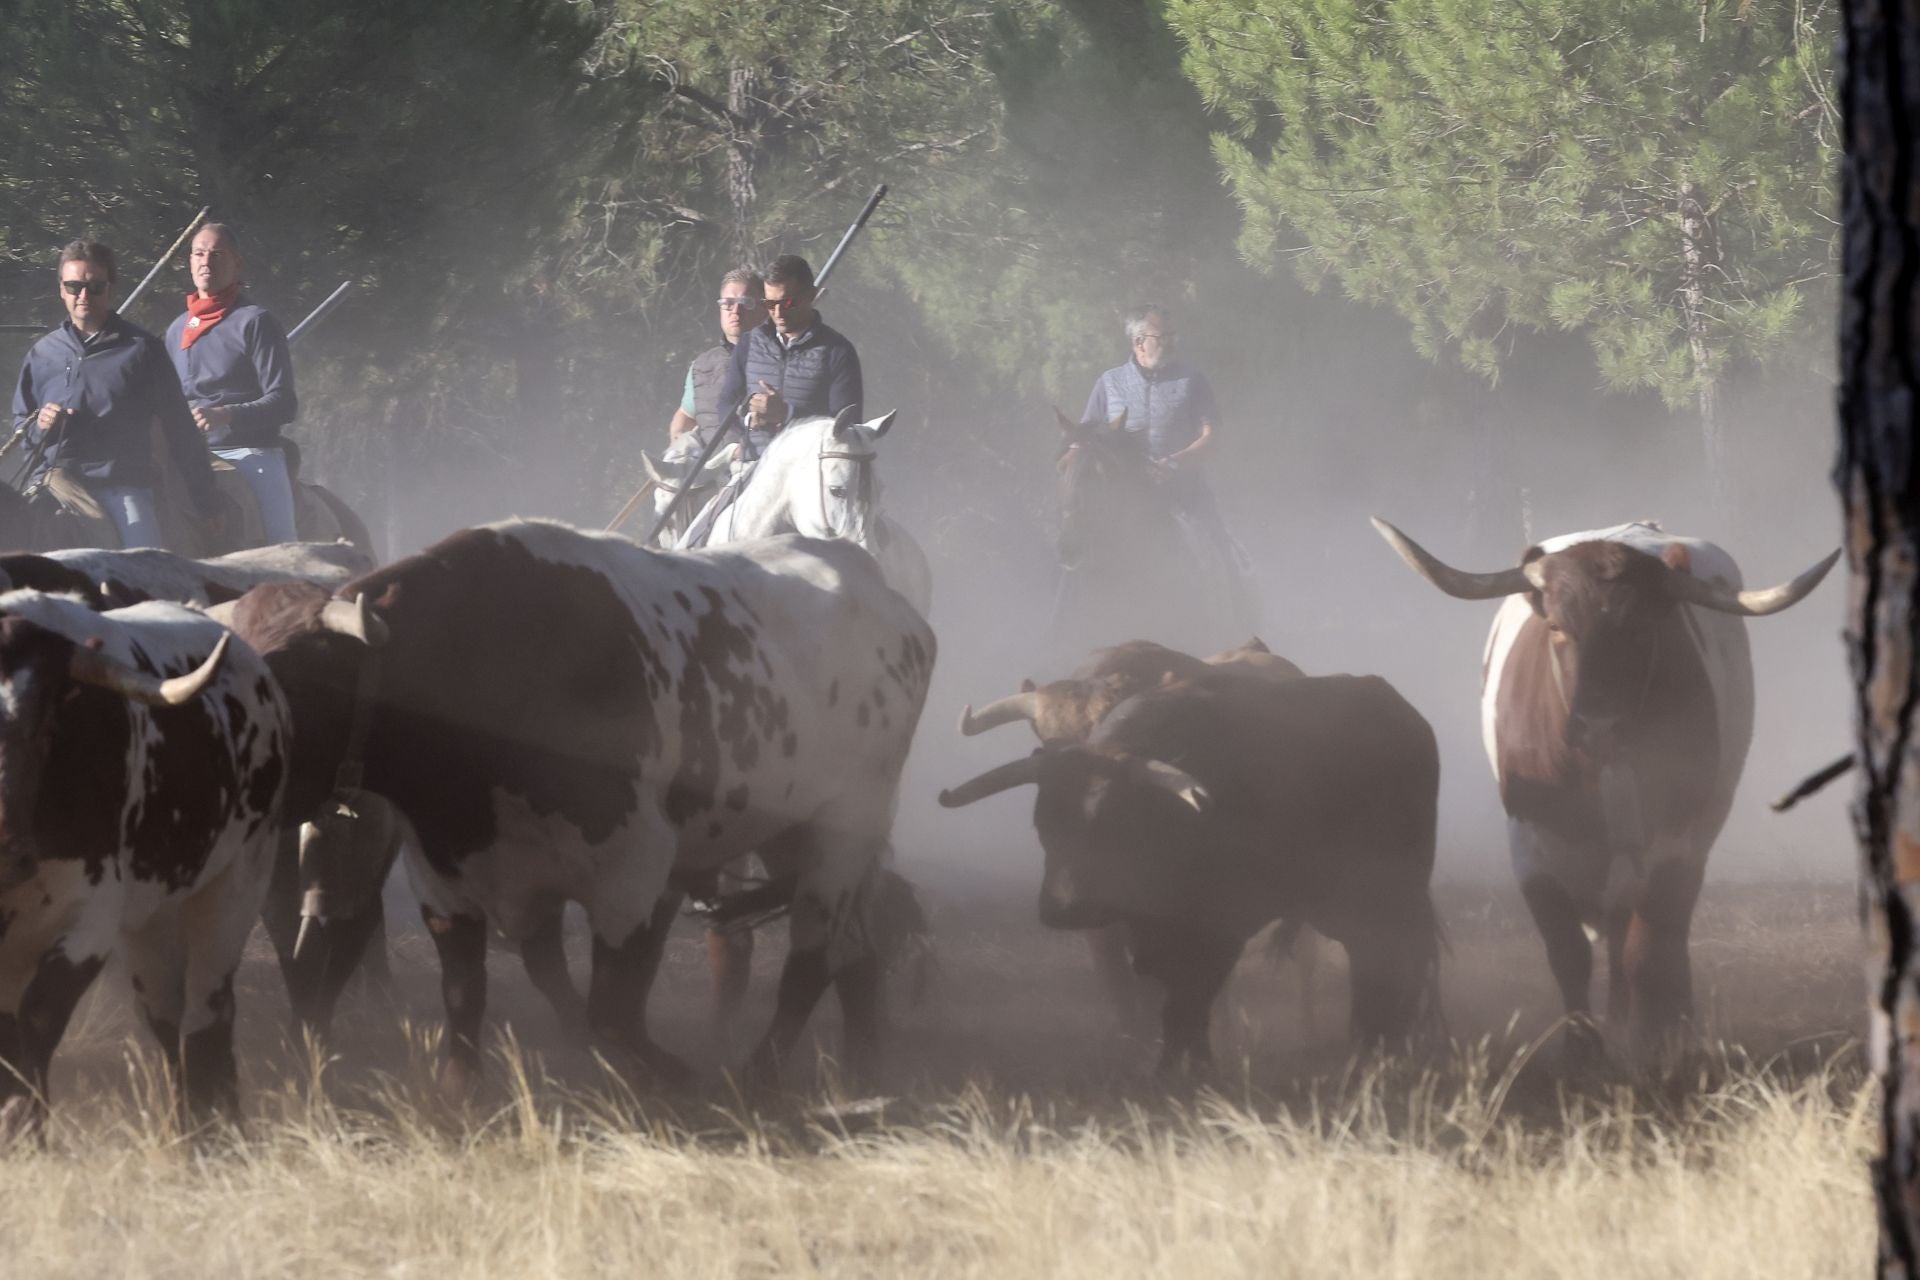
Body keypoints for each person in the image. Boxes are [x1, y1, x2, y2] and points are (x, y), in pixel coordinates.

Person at [11, 240, 225, 549]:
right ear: (61, 290)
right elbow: (22, 426)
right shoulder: (41, 354)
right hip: (54, 484)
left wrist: (206, 501)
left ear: (110, 289)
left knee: (144, 562)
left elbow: (180, 430)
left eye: (94, 287)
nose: (83, 296)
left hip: (122, 489)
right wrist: (41, 426)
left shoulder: (142, 350)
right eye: (73, 287)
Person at [1082, 303, 1258, 627]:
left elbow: (1212, 438)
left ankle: (1240, 630)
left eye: (1172, 336)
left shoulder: (1192, 380)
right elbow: (1085, 442)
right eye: (1161, 338)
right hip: (1126, 501)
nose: (1169, 343)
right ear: (1138, 342)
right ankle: (1063, 629)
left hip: (1185, 495)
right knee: (1079, 561)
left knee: (1223, 555)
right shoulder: (1108, 383)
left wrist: (1174, 463)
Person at [165, 223, 300, 543]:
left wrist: (225, 414)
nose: (206, 262)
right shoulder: (175, 330)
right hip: (190, 458)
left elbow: (284, 402)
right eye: (199, 254)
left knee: (282, 547)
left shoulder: (256, 321)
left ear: (237, 263)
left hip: (250, 454)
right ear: (189, 262)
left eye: (216, 254)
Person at [716, 253, 862, 455]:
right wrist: (748, 419)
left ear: (811, 295)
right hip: (754, 464)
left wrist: (788, 414)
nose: (778, 313)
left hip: (810, 467)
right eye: (770, 304)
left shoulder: (838, 351)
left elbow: (847, 426)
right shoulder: (748, 343)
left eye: (787, 303)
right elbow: (726, 404)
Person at [665, 267, 766, 447]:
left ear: (764, 308)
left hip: (763, 459)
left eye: (746, 302)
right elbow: (686, 416)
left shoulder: (779, 357)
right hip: (712, 463)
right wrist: (679, 438)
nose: (736, 310)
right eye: (728, 303)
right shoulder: (702, 365)